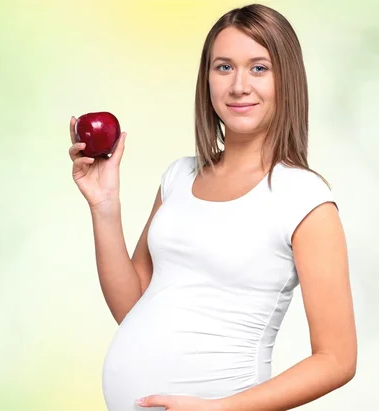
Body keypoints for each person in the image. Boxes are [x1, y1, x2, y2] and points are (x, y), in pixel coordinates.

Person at [67, 3, 357, 411]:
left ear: (287, 80)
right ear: (207, 80)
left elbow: (337, 360)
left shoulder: (304, 199)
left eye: (259, 68)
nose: (239, 86)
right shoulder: (179, 177)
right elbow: (132, 307)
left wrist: (218, 409)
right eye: (224, 67)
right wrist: (105, 205)